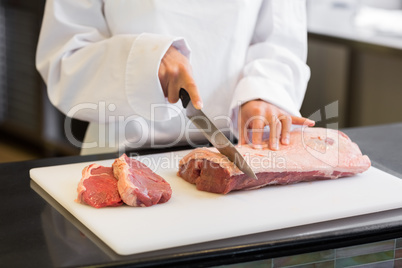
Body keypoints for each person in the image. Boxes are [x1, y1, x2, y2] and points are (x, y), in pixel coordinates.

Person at [36, 0, 314, 155]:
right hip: (121, 155)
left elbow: (280, 40)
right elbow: (64, 59)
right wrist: (147, 61)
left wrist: (262, 92)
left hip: (239, 151)